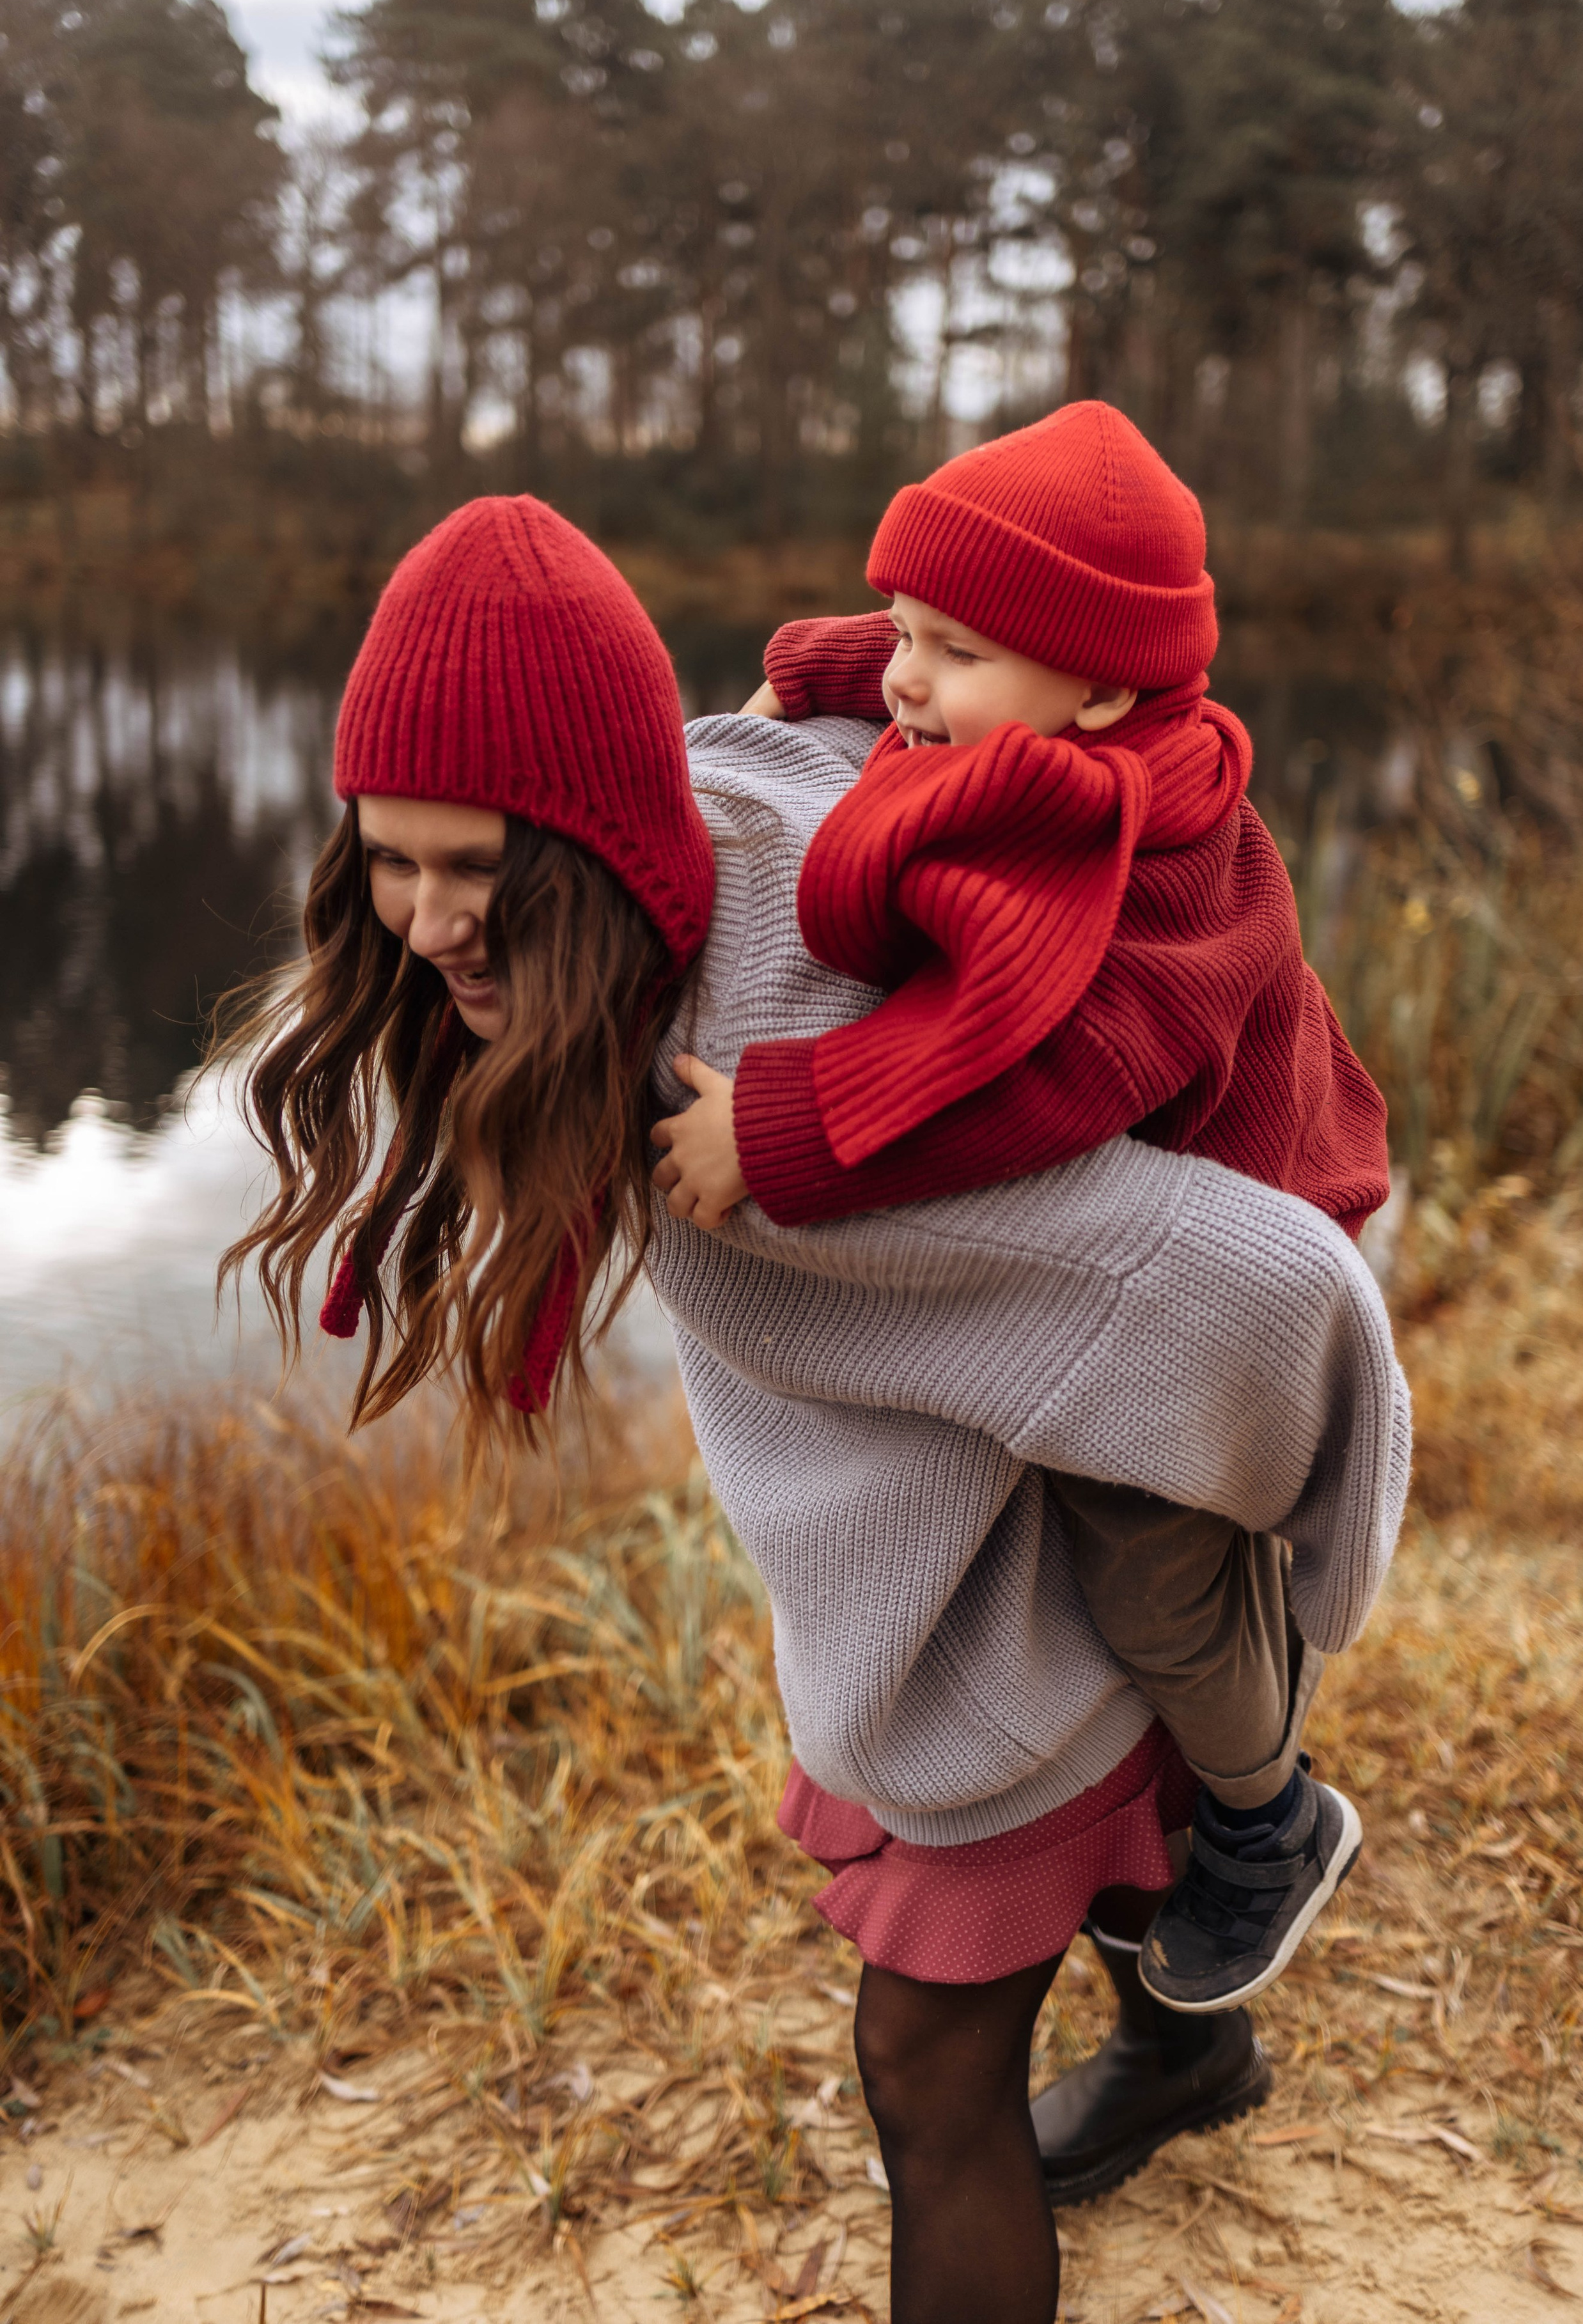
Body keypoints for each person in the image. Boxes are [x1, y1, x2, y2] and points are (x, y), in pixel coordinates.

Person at [217, 494, 1410, 2324]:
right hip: (945, 1518)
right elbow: (835, 696)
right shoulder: (696, 816)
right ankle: (1190, 2056)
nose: (432, 921)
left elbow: (1220, 1279)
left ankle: (1240, 1861)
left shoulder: (797, 1039)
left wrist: (1294, 1464)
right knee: (1088, 1886)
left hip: (1057, 1544)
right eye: (391, 859)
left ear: (602, 848)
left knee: (929, 2074)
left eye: (478, 870)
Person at [650, 400, 1391, 2020]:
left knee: (1143, 1553)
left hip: (1245, 1225)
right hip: (1130, 1217)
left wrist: (780, 1130)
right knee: (1046, 1524)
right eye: (906, 630)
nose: (907, 678)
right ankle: (1159, 1876)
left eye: (945, 655)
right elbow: (925, 648)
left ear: (1103, 692)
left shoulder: (1146, 882)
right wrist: (821, 668)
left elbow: (1013, 1082)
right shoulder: (1040, 707)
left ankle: (1269, 1819)